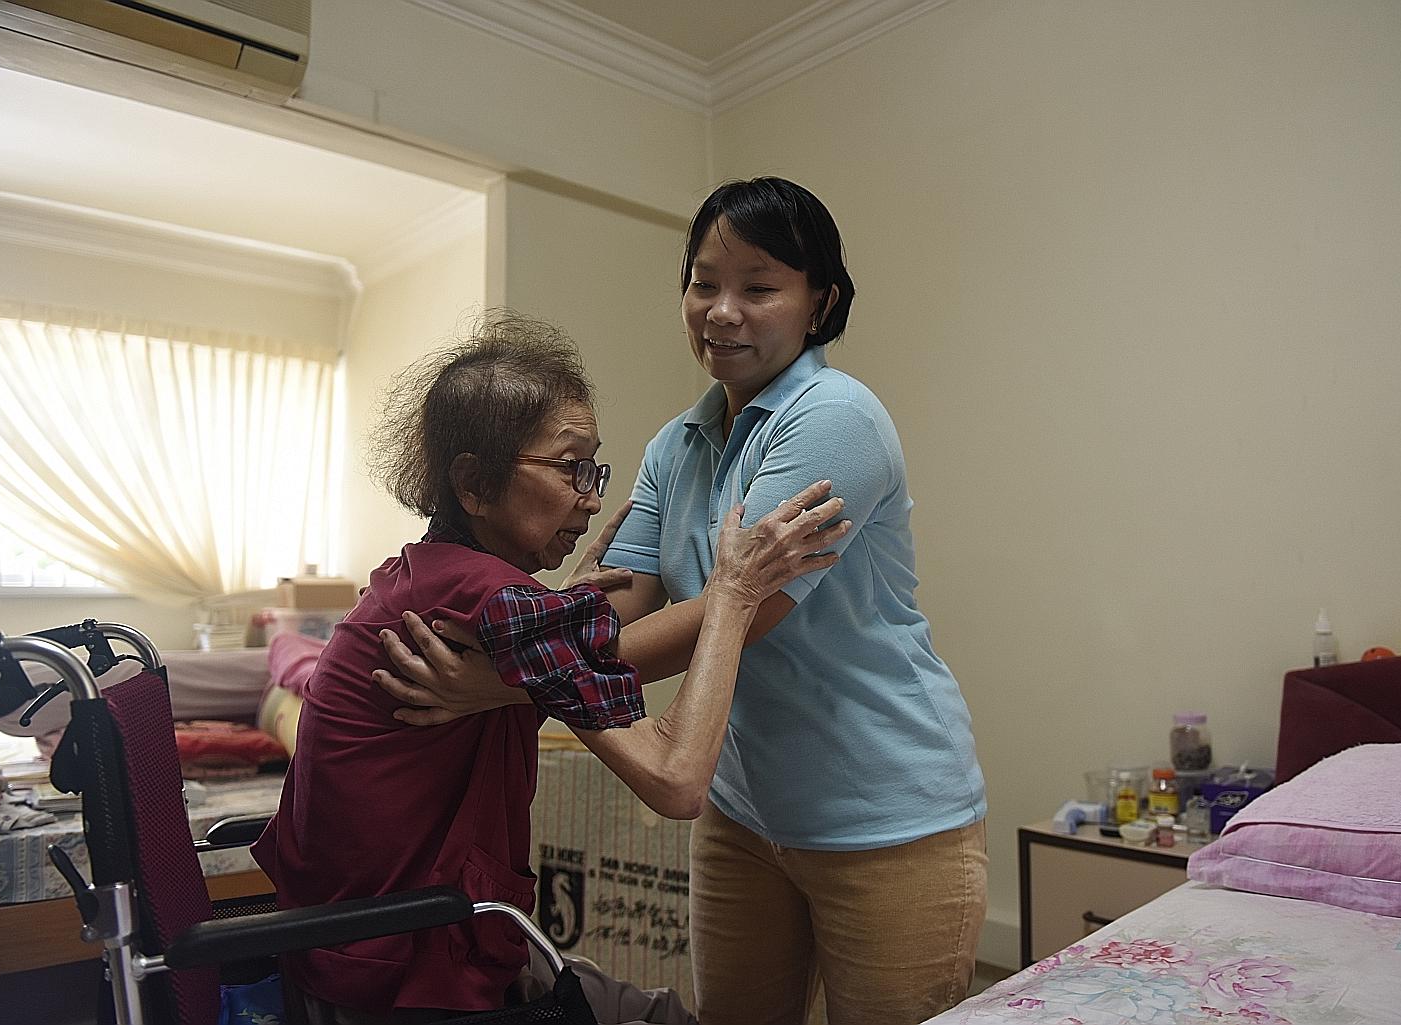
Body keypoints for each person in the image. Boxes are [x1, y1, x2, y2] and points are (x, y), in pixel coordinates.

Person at [378, 180, 987, 1025]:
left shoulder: (835, 419)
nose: (722, 311)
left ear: (823, 302)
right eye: (704, 283)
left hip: (887, 811)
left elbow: (736, 616)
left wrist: (508, 683)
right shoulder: (679, 441)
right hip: (746, 810)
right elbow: (626, 598)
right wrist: (535, 635)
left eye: (759, 287)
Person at [253, 311, 848, 1023]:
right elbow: (677, 777)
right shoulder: (497, 601)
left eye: (593, 467)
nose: (593, 495)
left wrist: (558, 612)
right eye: (570, 467)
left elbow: (526, 649)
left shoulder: (419, 575)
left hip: (356, 952)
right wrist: (733, 593)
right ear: (473, 484)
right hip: (410, 974)